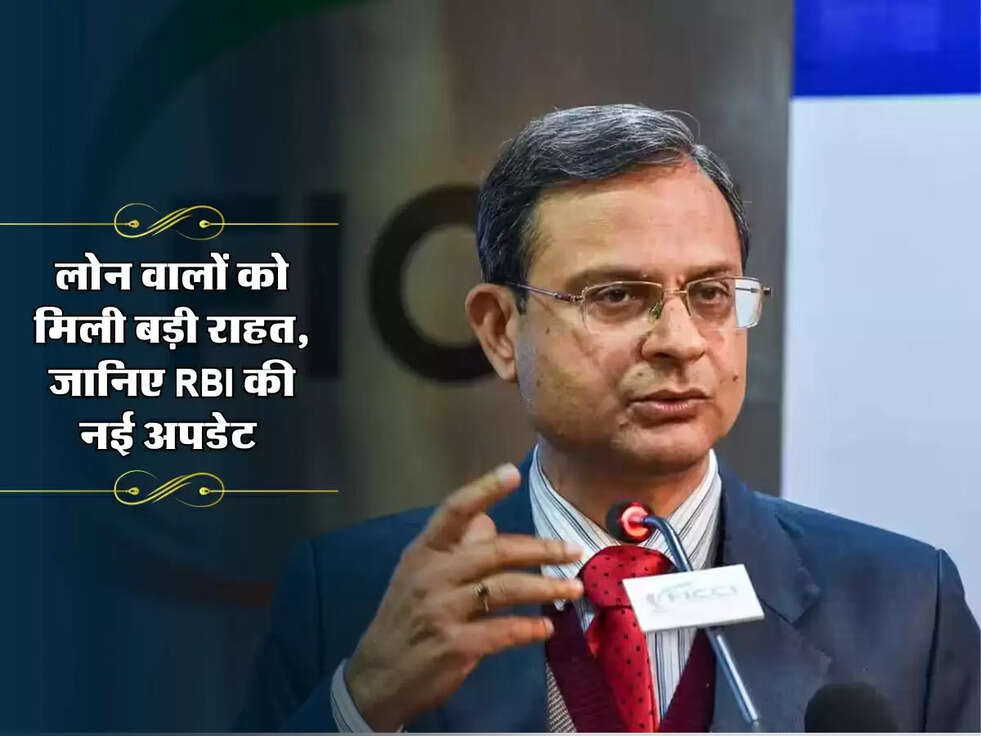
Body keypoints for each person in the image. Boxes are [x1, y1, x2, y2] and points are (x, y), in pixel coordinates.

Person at [235, 104, 980, 732]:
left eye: (711, 294)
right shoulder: (351, 595)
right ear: (500, 330)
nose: (680, 341)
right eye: (617, 296)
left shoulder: (909, 604)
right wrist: (363, 704)